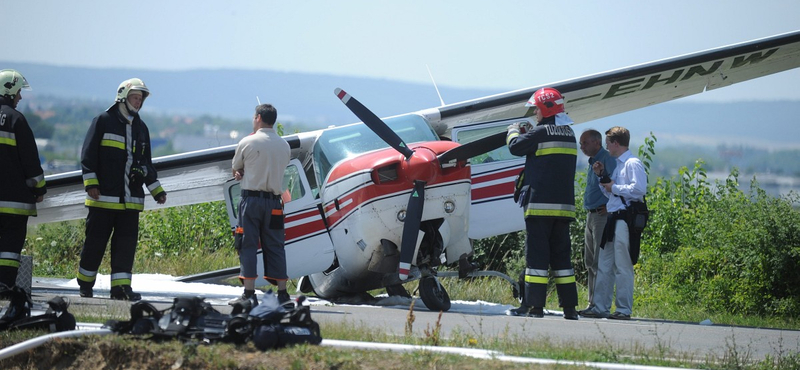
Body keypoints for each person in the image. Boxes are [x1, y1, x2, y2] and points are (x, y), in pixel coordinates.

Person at [77, 78, 166, 301]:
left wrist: (157, 191)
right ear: (123, 97)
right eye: (135, 98)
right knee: (94, 244)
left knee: (125, 248)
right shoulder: (103, 121)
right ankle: (85, 285)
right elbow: (88, 157)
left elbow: (146, 164)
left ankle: (120, 289)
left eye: (141, 99)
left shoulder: (141, 128)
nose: (138, 103)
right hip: (103, 199)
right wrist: (92, 184)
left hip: (131, 202)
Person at [505, 87, 579, 320]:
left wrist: (513, 131)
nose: (535, 112)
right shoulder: (569, 133)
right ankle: (570, 309)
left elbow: (515, 147)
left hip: (539, 207)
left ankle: (534, 307)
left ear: (546, 108)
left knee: (537, 259)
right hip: (564, 208)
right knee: (562, 260)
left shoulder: (540, 132)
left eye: (536, 108)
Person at [581, 126, 647, 320]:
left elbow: (639, 190)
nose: (606, 146)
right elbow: (610, 192)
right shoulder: (619, 165)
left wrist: (614, 187)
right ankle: (599, 306)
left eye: (608, 143)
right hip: (614, 217)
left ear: (616, 143)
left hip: (624, 218)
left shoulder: (632, 163)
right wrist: (603, 177)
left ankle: (623, 309)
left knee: (622, 265)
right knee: (605, 263)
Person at [230, 103, 291, 306]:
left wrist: (241, 172)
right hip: (274, 202)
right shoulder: (284, 145)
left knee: (247, 244)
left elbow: (236, 168)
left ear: (257, 118)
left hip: (251, 201)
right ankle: (282, 293)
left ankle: (249, 293)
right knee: (275, 246)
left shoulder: (247, 142)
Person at [0, 69, 46, 300]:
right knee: (9, 248)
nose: (20, 98)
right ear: (8, 90)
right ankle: (5, 287)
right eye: (18, 92)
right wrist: (39, 189)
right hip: (14, 202)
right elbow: (30, 160)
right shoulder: (17, 119)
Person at [577, 129, 616, 315]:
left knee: (600, 262)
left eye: (585, 143)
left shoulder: (607, 159)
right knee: (590, 261)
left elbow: (616, 183)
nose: (581, 147)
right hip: (591, 215)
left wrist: (611, 206)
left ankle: (600, 304)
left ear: (596, 143)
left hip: (602, 215)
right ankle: (592, 303)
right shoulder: (593, 161)